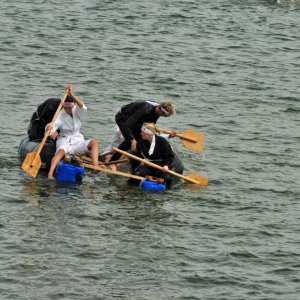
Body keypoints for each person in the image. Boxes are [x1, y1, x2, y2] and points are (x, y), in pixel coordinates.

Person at [46, 84, 100, 180]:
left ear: (73, 106)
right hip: (64, 140)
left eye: (69, 108)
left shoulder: (77, 110)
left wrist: (72, 94)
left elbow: (83, 107)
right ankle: (50, 173)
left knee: (94, 141)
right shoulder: (61, 114)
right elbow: (54, 124)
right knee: (61, 151)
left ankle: (95, 166)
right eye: (65, 108)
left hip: (77, 140)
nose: (67, 110)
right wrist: (49, 128)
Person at [107, 100, 176, 166]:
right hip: (123, 119)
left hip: (137, 122)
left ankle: (137, 162)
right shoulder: (145, 109)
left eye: (166, 116)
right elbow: (127, 125)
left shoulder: (157, 113)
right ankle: (112, 162)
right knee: (129, 142)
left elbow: (151, 130)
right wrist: (132, 140)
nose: (164, 116)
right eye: (164, 114)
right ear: (159, 108)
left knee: (142, 140)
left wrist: (168, 136)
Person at [130, 123, 184, 188]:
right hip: (148, 165)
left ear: (148, 133)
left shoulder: (162, 141)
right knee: (136, 174)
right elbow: (138, 156)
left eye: (142, 132)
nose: (140, 134)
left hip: (160, 166)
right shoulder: (141, 142)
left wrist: (166, 165)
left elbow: (169, 155)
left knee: (168, 178)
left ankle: (166, 192)